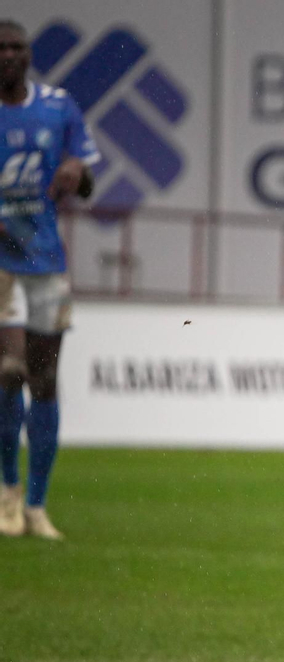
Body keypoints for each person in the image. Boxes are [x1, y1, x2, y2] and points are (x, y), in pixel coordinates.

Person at [0, 20, 99, 540]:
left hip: (46, 261)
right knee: (9, 369)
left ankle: (36, 506)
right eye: (2, 48)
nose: (10, 55)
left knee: (45, 383)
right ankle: (6, 493)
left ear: (30, 54)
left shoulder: (58, 107)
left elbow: (86, 181)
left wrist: (75, 172)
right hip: (1, 266)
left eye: (17, 47)